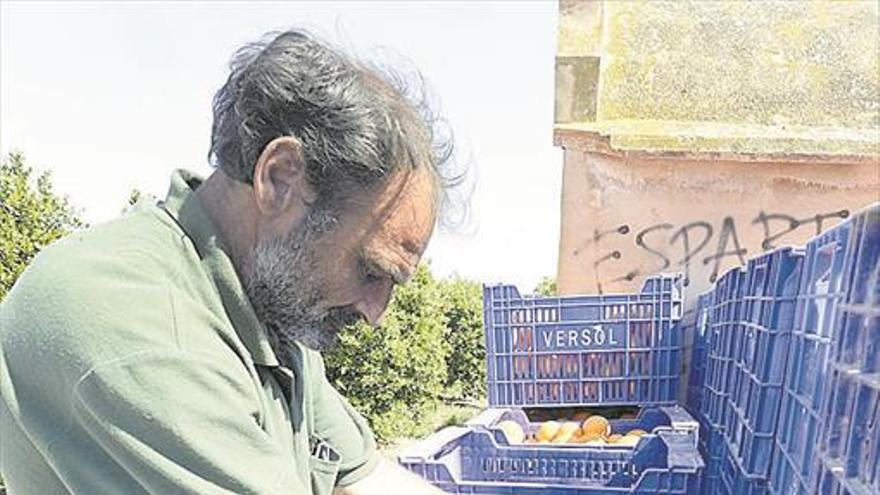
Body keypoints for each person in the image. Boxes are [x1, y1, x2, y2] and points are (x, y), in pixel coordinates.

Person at [0, 29, 459, 495]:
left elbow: (364, 480)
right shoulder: (139, 325)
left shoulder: (267, 314)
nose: (375, 312)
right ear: (279, 178)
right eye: (370, 270)